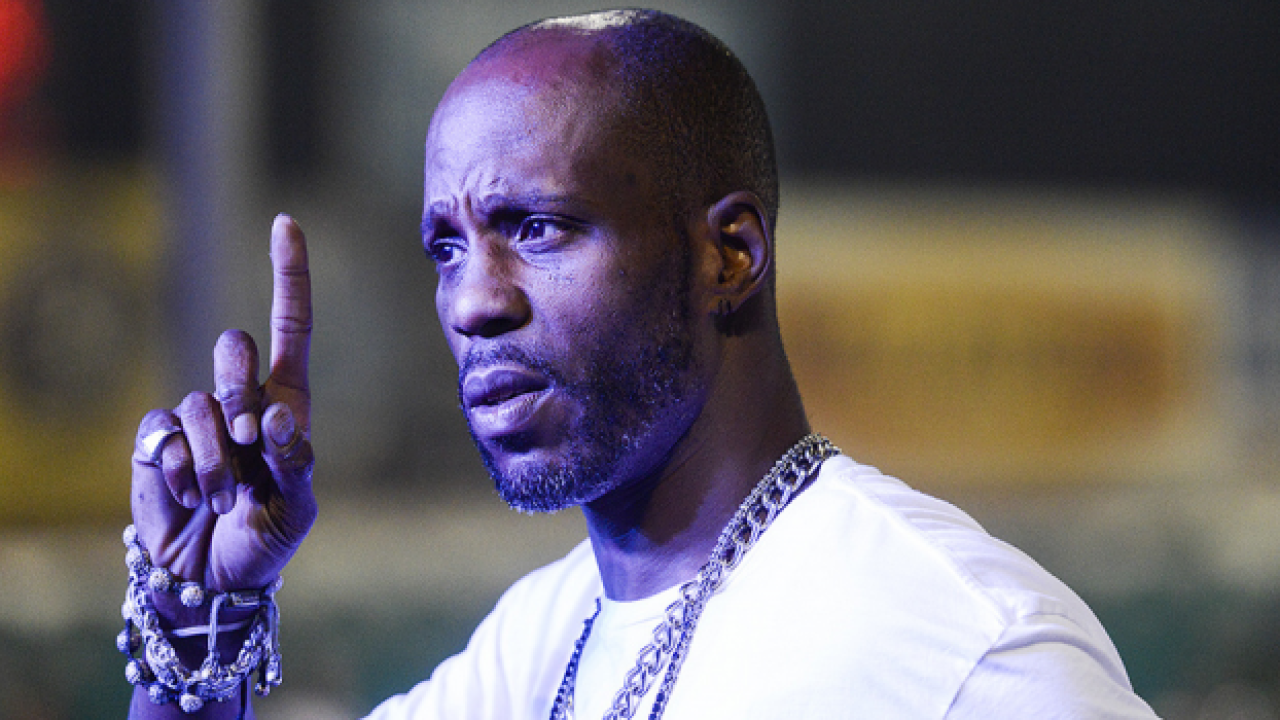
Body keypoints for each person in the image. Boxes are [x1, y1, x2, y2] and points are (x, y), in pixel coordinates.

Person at [122, 9, 1160, 719]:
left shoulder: (965, 652)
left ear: (728, 256)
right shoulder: (531, 647)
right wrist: (194, 617)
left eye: (537, 227)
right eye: (446, 247)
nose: (473, 301)